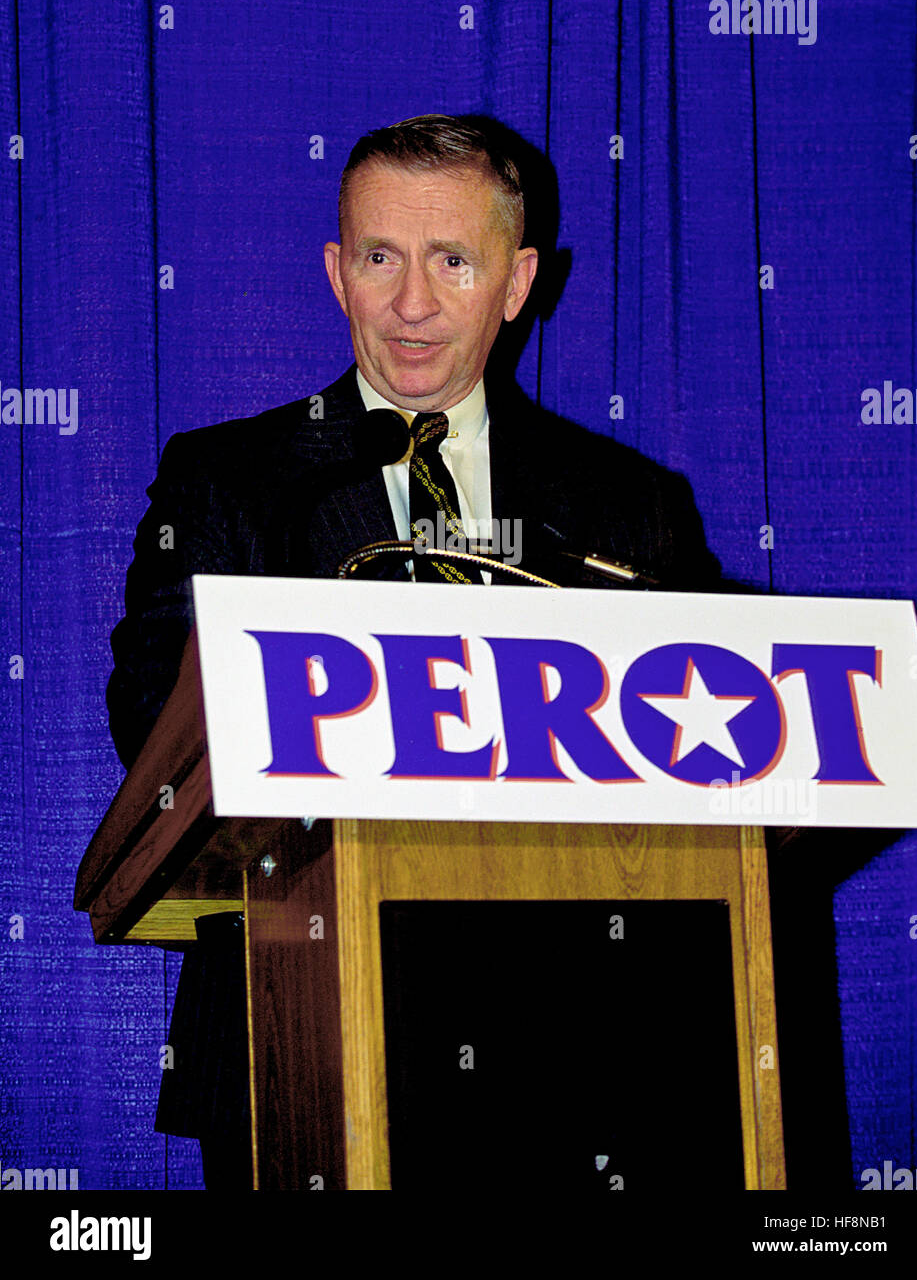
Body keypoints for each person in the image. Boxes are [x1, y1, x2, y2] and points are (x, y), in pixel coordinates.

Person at [106, 113, 722, 1188]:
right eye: (380, 257)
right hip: (298, 1034)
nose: (411, 305)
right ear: (337, 271)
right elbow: (153, 714)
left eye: (452, 261)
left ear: (517, 280)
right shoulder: (226, 480)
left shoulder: (632, 506)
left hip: (579, 1056)